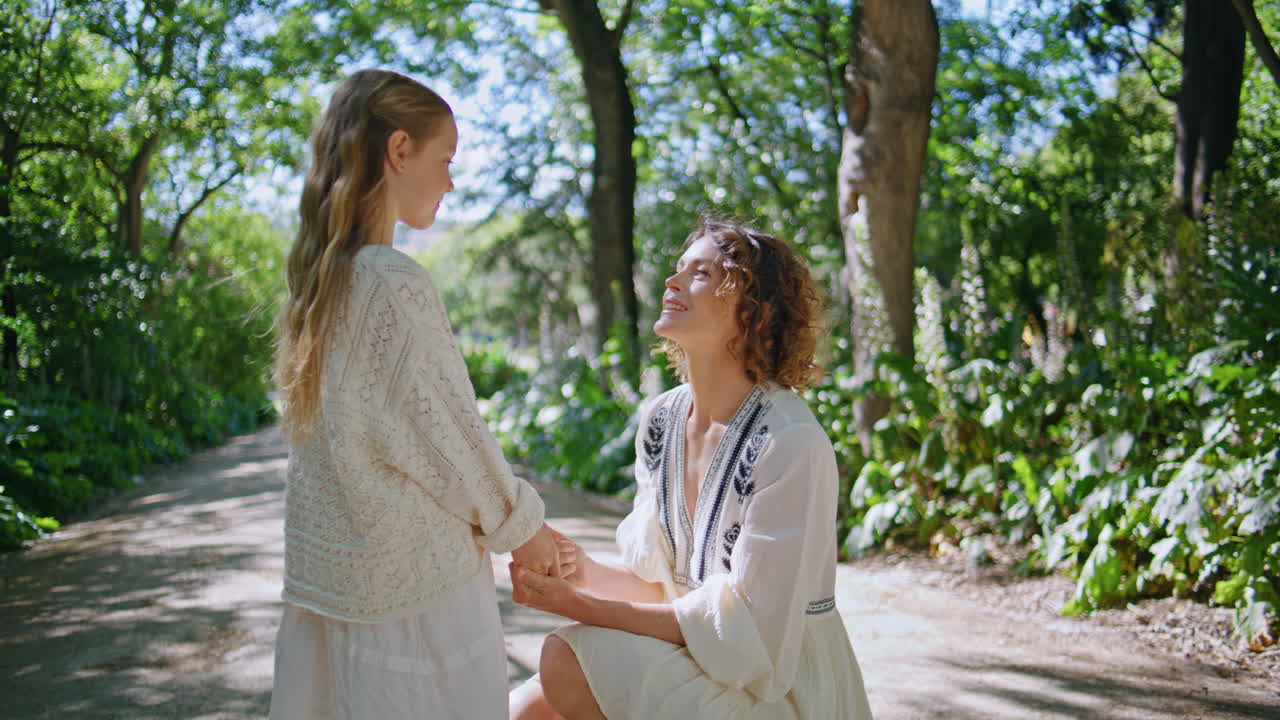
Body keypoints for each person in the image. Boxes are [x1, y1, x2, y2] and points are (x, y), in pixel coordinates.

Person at [269, 69, 559, 720]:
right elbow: (453, 441)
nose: (451, 182)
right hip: (412, 603)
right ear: (399, 150)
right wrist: (524, 528)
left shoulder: (323, 285)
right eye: (445, 160)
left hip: (334, 592)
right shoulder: (389, 283)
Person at [508, 217, 874, 719]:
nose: (671, 281)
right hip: (705, 660)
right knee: (525, 710)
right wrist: (579, 571)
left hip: (777, 686)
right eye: (679, 268)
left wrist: (579, 607)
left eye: (700, 273)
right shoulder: (662, 418)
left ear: (758, 314)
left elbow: (754, 639)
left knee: (568, 660)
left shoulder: (791, 442)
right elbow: (666, 590)